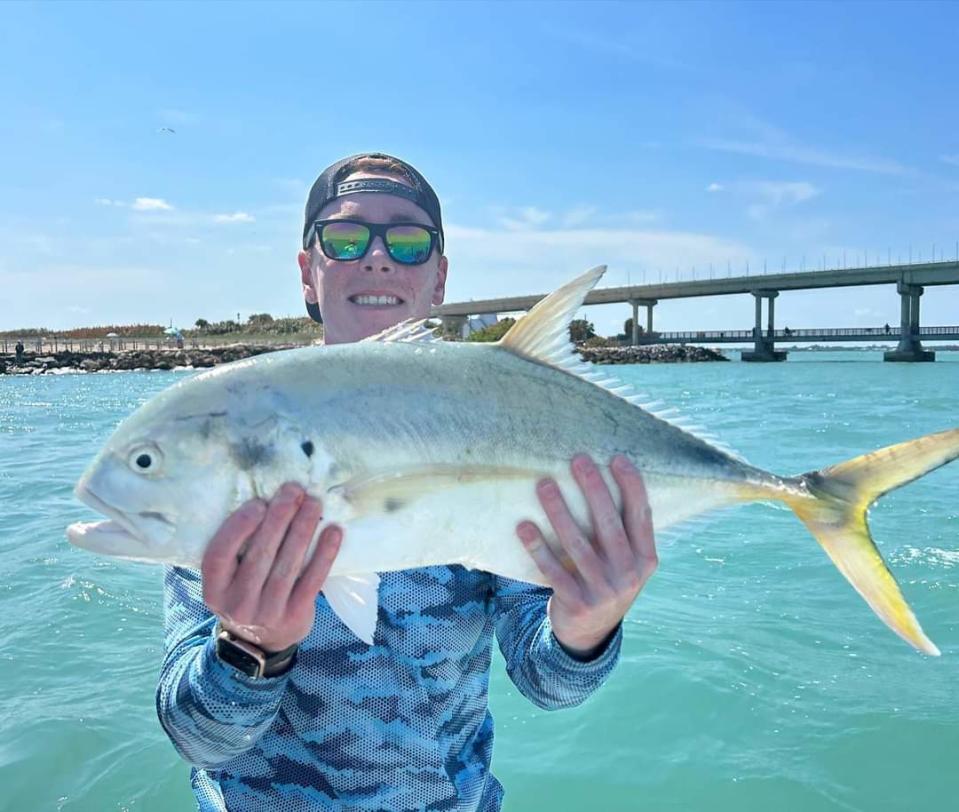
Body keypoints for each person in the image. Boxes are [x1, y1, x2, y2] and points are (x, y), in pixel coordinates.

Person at [156, 153, 658, 812]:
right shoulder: (239, 436)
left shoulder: (491, 424)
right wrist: (251, 649)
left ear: (440, 277)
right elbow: (199, 739)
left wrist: (586, 627)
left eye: (409, 241)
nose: (377, 257)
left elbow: (548, 684)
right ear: (308, 272)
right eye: (344, 237)